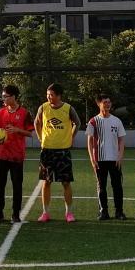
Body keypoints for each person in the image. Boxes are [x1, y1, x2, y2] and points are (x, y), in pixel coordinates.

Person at [34, 83, 82, 223]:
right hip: (47, 150)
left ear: (59, 95)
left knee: (66, 182)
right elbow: (37, 123)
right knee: (46, 182)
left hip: (63, 151)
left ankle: (69, 213)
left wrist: (71, 137)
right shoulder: (43, 107)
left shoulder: (68, 108)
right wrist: (40, 138)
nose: (49, 97)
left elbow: (77, 123)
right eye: (47, 94)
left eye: (51, 95)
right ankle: (45, 213)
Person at [0, 84, 31, 223]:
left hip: (16, 156)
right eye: (2, 96)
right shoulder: (0, 113)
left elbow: (30, 133)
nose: (3, 99)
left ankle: (15, 214)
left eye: (5, 96)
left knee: (17, 186)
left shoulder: (24, 113)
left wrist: (17, 130)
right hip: (2, 155)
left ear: (14, 97)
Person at [86, 94, 126, 220]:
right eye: (105, 102)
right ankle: (103, 212)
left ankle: (119, 212)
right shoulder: (93, 121)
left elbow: (121, 140)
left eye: (109, 102)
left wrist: (120, 156)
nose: (107, 104)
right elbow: (90, 142)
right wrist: (92, 159)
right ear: (99, 104)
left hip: (114, 159)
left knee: (117, 186)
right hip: (99, 159)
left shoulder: (116, 121)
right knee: (101, 186)